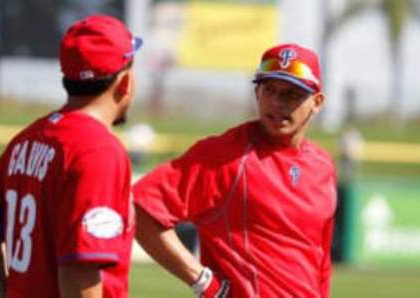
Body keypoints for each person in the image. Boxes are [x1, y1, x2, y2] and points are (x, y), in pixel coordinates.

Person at [133, 43, 337, 297]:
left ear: (317, 103)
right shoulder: (226, 155)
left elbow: (320, 259)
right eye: (269, 90)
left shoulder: (323, 166)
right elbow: (141, 209)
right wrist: (204, 282)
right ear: (257, 94)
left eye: (291, 94)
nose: (276, 102)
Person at [0, 15, 142, 298]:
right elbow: (79, 270)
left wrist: (6, 292)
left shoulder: (31, 137)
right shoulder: (100, 151)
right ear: (126, 83)